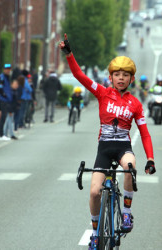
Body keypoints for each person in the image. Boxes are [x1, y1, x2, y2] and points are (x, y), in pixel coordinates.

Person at [59, 34, 156, 250]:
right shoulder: (103, 93)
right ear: (110, 77)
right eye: (117, 74)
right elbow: (79, 75)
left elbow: (145, 133)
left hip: (123, 149)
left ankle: (127, 214)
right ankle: (95, 234)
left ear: (131, 79)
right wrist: (69, 54)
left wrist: (150, 158)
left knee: (130, 167)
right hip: (103, 150)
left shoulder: (135, 104)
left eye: (125, 75)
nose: (121, 78)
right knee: (94, 192)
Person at [0, 64, 13, 138]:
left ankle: (3, 133)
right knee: (3, 116)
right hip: (3, 99)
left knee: (5, 116)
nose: (8, 70)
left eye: (9, 69)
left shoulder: (8, 77)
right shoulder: (2, 77)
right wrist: (4, 95)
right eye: (7, 69)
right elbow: (0, 87)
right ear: (4, 69)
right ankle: (1, 134)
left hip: (7, 99)